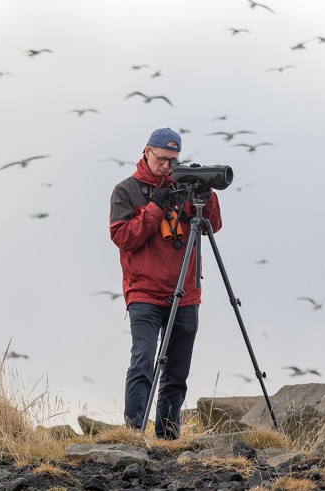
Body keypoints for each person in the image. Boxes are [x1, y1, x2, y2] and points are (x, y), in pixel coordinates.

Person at [109, 127, 222, 439]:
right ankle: (133, 434)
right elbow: (123, 237)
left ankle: (168, 436)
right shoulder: (126, 190)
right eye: (161, 159)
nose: (166, 166)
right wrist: (155, 207)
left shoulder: (182, 185)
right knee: (144, 361)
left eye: (173, 161)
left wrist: (205, 194)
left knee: (177, 371)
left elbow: (213, 225)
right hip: (144, 291)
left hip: (185, 293)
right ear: (147, 152)